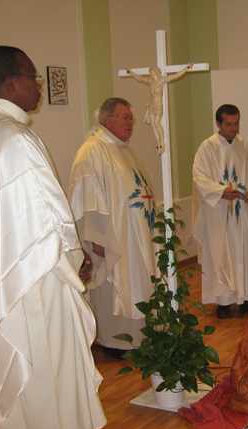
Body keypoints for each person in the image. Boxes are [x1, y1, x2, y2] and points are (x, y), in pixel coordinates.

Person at [0, 45, 105, 429]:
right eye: (33, 76)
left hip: (6, 281)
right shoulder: (15, 138)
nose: (39, 86)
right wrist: (74, 261)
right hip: (36, 284)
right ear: (11, 83)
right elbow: (46, 223)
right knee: (48, 372)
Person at [69, 97, 158, 358]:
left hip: (135, 235)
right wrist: (97, 239)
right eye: (125, 117)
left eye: (131, 118)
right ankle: (115, 342)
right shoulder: (92, 151)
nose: (131, 123)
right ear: (107, 119)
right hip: (113, 239)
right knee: (116, 285)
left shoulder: (123, 150)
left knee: (139, 283)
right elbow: (87, 199)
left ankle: (140, 337)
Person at [192, 104, 248, 319]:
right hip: (219, 213)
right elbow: (199, 177)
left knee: (247, 252)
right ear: (218, 124)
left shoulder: (246, 145)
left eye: (236, 123)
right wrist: (221, 192)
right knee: (221, 255)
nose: (233, 128)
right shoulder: (207, 148)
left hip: (243, 211)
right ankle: (224, 301)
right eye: (229, 124)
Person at [126, 65, 191, 153]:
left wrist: (186, 69)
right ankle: (158, 143)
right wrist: (131, 73)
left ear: (156, 72)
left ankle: (161, 142)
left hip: (158, 105)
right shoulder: (150, 81)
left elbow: (175, 76)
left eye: (153, 73)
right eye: (150, 73)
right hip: (151, 105)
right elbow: (140, 78)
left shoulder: (162, 80)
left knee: (157, 123)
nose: (152, 75)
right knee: (153, 124)